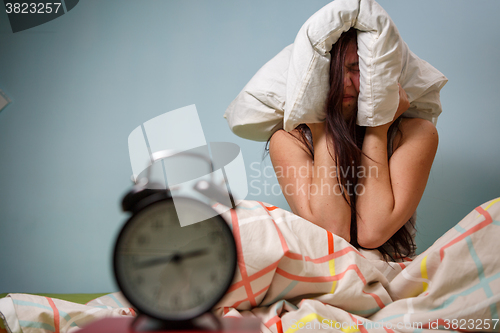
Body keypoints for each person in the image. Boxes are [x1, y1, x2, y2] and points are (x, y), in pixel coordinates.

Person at [268, 28, 439, 259]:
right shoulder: (288, 141)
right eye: (330, 72)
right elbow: (333, 233)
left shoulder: (417, 133)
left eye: (356, 69)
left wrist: (377, 129)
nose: (344, 82)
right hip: (322, 270)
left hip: (394, 272)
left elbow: (372, 232)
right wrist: (321, 129)